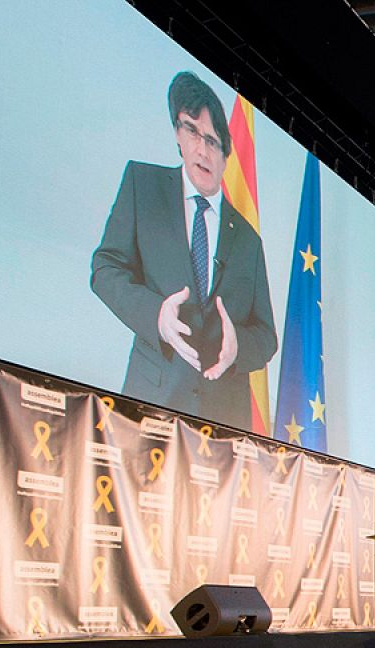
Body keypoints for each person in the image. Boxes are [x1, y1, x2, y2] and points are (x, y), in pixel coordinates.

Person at [91, 71, 277, 428]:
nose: (202, 150)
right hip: (150, 406)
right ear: (178, 133)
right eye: (192, 131)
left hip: (223, 422)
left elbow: (266, 336)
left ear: (226, 155)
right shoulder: (142, 185)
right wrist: (156, 316)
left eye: (213, 141)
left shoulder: (249, 239)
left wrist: (238, 348)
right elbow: (105, 268)